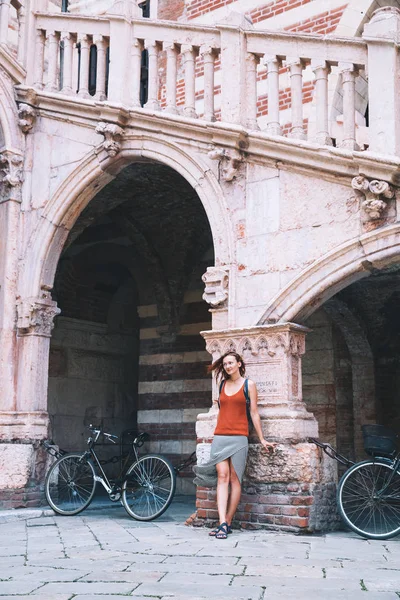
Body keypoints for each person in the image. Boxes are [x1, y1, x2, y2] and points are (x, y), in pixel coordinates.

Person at [193, 351, 276, 539]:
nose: (228, 366)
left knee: (234, 479)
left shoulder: (249, 385)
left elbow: (254, 413)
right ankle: (222, 522)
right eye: (225, 364)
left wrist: (262, 439)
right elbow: (224, 410)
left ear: (239, 363)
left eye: (231, 363)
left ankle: (228, 521)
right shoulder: (221, 384)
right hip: (220, 437)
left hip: (239, 438)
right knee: (221, 476)